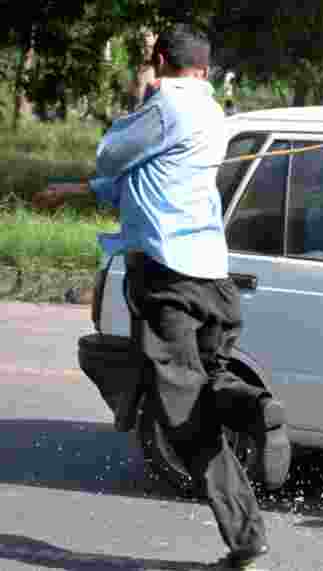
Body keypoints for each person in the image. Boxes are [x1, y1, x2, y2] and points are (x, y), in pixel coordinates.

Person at [32, 24, 290, 570]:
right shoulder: (210, 112)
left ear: (158, 58)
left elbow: (111, 153)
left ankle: (246, 529)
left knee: (183, 413)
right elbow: (143, 174)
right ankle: (252, 405)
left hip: (168, 278)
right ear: (205, 68)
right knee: (209, 382)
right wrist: (74, 192)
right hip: (213, 279)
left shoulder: (165, 107)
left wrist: (144, 85)